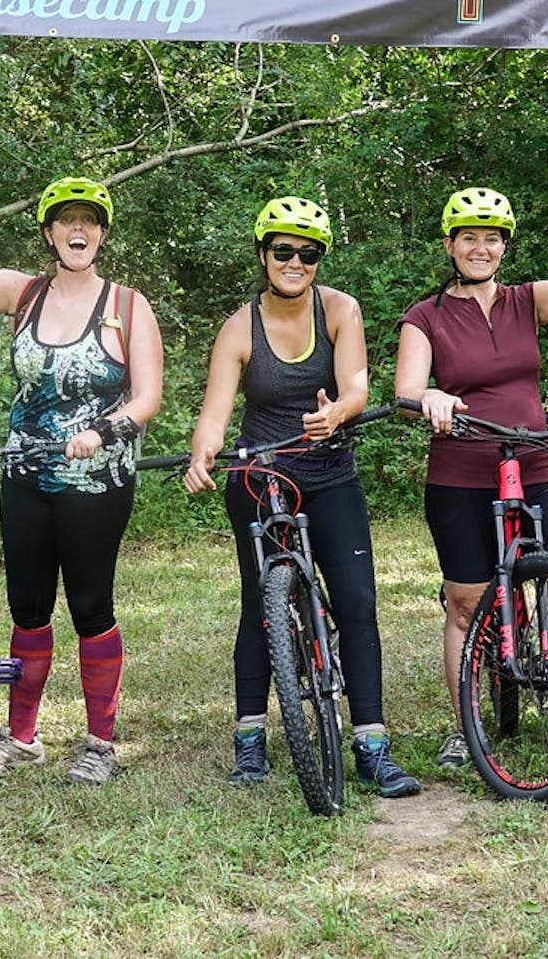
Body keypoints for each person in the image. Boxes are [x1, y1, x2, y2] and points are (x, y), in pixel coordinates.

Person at [0, 176, 164, 785]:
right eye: (66, 221)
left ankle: (100, 744)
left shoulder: (127, 306)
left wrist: (104, 431)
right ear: (50, 233)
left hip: (96, 481)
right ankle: (22, 736)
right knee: (28, 608)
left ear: (102, 234)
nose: (78, 231)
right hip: (25, 473)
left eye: (89, 221)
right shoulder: (23, 294)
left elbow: (149, 396)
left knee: (90, 605)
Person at [178, 197, 419, 797]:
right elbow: (215, 413)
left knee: (358, 602)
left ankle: (372, 746)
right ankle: (250, 743)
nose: (295, 262)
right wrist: (203, 452)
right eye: (283, 251)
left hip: (331, 472)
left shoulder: (340, 309)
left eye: (307, 253)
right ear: (263, 255)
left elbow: (358, 386)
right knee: (260, 604)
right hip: (261, 474)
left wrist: (337, 411)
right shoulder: (240, 327)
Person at [396, 183, 548, 770]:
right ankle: (467, 729)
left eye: (492, 239)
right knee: (466, 604)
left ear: (503, 248)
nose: (481, 248)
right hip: (461, 472)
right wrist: (431, 395)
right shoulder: (426, 317)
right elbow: (406, 388)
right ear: (450, 245)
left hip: (534, 463)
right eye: (470, 238)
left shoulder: (525, 300)